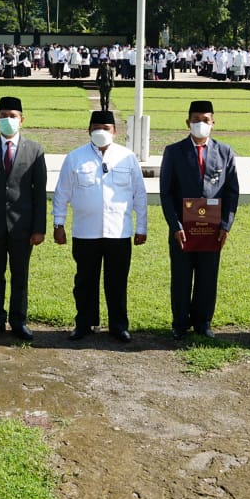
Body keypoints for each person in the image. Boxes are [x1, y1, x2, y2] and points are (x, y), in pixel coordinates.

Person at [52, 110, 147, 342]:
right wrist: (58, 223)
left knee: (117, 281)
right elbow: (62, 192)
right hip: (86, 231)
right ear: (88, 130)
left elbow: (139, 194)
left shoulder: (127, 157)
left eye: (106, 128)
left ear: (115, 132)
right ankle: (84, 323)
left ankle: (118, 325)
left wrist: (141, 227)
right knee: (84, 281)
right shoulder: (75, 157)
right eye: (96, 128)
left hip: (119, 232)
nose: (101, 132)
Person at [158, 100, 240, 340]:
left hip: (212, 229)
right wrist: (175, 226)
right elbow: (167, 192)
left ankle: (203, 322)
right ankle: (180, 323)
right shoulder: (174, 151)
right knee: (181, 276)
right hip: (182, 228)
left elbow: (232, 192)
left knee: (207, 277)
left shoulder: (225, 152)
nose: (201, 124)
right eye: (196, 120)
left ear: (213, 122)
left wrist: (225, 225)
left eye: (205, 120)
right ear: (188, 122)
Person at [0, 97, 47, 341]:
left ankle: (18, 321)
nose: (8, 119)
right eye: (3, 115)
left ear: (22, 119)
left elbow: (39, 193)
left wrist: (39, 228)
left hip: (22, 227)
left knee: (20, 276)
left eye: (13, 115)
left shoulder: (35, 151)